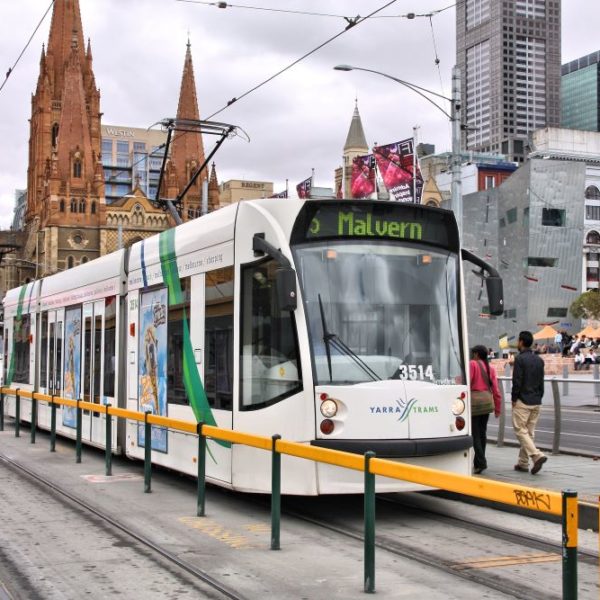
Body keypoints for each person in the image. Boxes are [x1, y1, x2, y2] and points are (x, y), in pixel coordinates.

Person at [511, 330, 547, 474]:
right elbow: (541, 382)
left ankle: (537, 455)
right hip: (537, 400)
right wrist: (539, 397)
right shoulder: (539, 360)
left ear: (521, 342)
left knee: (520, 430)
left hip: (523, 400)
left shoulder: (519, 359)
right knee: (529, 433)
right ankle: (523, 463)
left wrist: (514, 398)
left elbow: (517, 381)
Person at [469, 345, 502, 474]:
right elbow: (496, 390)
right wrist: (498, 408)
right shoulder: (491, 368)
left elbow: (467, 381)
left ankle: (481, 462)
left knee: (475, 434)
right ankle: (477, 463)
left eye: (473, 353)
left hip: (475, 403)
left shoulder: (472, 364)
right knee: (482, 433)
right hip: (487, 403)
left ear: (476, 354)